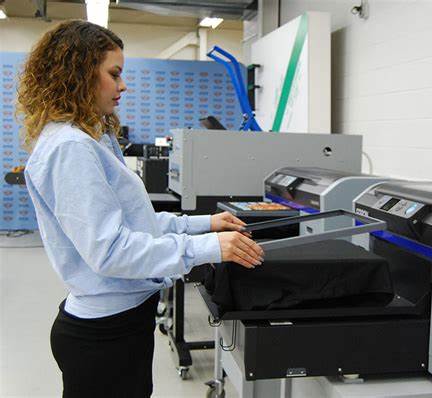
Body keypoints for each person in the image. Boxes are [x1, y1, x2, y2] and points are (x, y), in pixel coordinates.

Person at [16, 20, 264, 398]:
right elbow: (111, 252)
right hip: (103, 337)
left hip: (123, 322)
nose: (123, 85)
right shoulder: (71, 147)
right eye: (113, 74)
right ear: (80, 73)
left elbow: (138, 224)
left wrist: (205, 224)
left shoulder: (92, 137)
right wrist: (210, 248)